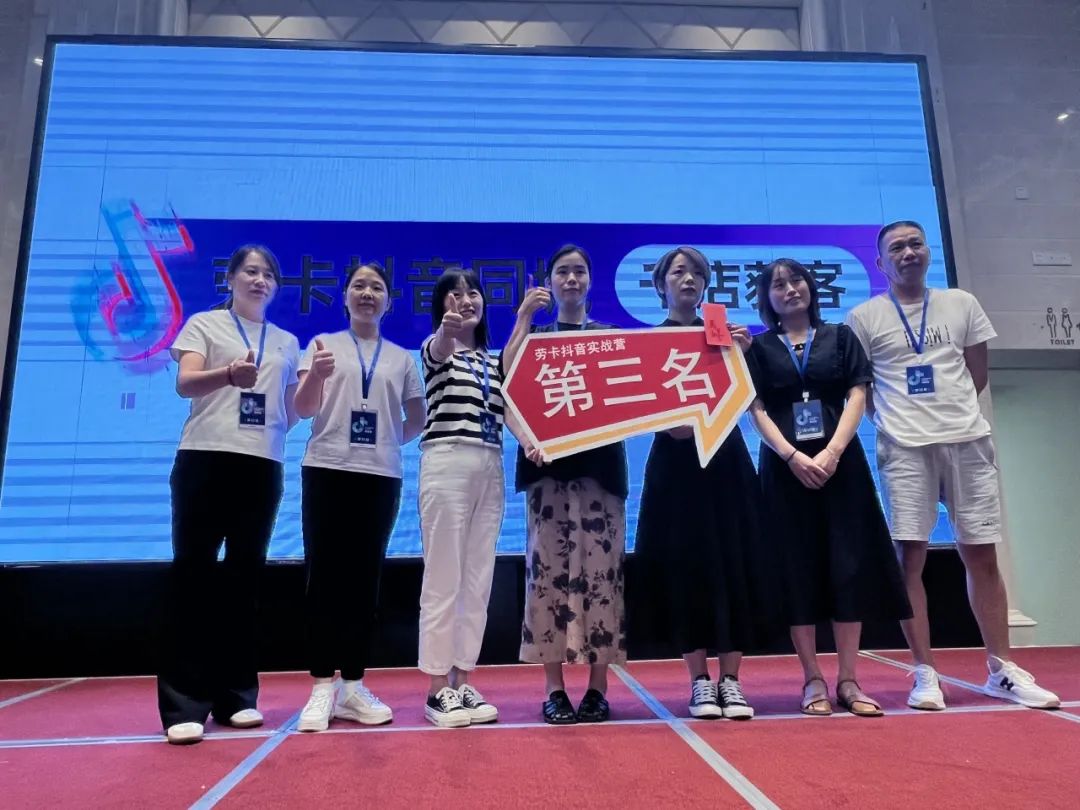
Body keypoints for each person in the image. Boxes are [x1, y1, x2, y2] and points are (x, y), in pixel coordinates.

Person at [847, 220, 1060, 710]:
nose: (908, 253)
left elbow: (976, 374)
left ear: (928, 252)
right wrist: (899, 422)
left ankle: (1002, 668)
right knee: (909, 558)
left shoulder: (962, 303)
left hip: (967, 442)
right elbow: (865, 390)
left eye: (915, 244)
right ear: (880, 263)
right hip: (905, 448)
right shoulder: (864, 317)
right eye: (896, 248)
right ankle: (925, 673)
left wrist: (949, 414)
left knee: (981, 554)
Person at [747, 258, 912, 717]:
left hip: (841, 467)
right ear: (767, 297)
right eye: (778, 284)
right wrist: (792, 456)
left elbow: (858, 393)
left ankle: (848, 679)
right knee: (795, 569)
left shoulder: (840, 336)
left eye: (796, 280)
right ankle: (812, 679)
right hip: (785, 469)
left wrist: (833, 452)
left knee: (847, 567)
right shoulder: (758, 347)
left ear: (810, 287)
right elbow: (755, 407)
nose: (790, 289)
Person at [157, 244, 300, 744]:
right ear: (232, 278)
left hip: (261, 464)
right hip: (204, 458)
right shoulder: (205, 324)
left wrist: (314, 389)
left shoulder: (286, 341)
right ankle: (184, 704)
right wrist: (228, 376)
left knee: (244, 580)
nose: (260, 281)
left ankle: (237, 696)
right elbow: (185, 383)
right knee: (193, 576)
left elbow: (290, 411)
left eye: (268, 275)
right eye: (251, 272)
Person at [634, 246, 776, 720]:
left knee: (733, 560)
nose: (688, 279)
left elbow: (748, 401)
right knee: (684, 566)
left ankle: (731, 680)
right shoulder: (648, 342)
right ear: (661, 285)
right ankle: (698, 680)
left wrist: (744, 357)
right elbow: (653, 410)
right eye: (678, 272)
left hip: (725, 460)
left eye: (696, 272)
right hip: (674, 467)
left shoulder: (724, 335)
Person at [293, 261, 426, 732]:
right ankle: (320, 687)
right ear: (345, 295)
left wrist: (384, 442)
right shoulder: (322, 345)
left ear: (388, 301)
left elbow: (416, 418)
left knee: (364, 581)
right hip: (327, 468)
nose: (367, 293)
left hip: (380, 476)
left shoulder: (401, 358)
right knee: (323, 580)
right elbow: (303, 408)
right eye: (359, 286)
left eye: (376, 287)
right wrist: (314, 376)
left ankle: (351, 685)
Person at [503, 245, 629, 725]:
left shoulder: (610, 338)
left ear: (590, 281)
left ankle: (598, 687)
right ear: (550, 282)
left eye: (579, 271)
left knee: (603, 578)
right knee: (547, 578)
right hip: (547, 472)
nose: (571, 279)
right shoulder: (535, 337)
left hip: (601, 473)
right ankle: (553, 689)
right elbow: (507, 382)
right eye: (562, 272)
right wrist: (522, 318)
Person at [416, 269, 509, 728]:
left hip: (491, 464)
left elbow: (510, 411)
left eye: (473, 292)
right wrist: (446, 330)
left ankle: (463, 679)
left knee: (478, 580)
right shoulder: (436, 350)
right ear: (442, 306)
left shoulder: (493, 361)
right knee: (444, 577)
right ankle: (437, 687)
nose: (466, 300)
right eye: (454, 295)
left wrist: (532, 443)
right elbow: (438, 348)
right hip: (447, 459)